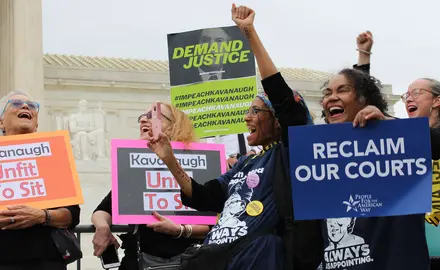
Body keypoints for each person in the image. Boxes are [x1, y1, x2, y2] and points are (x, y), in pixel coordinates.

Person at [143, 5, 321, 270]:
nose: (247, 118)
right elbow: (203, 196)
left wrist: (249, 34)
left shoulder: (289, 154)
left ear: (276, 120)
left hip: (258, 259)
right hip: (219, 259)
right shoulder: (245, 163)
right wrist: (169, 160)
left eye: (255, 111)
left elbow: (283, 100)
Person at [318, 65, 430, 269]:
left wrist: (388, 125)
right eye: (328, 93)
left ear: (364, 101)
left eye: (342, 90)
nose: (331, 98)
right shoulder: (319, 160)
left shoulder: (399, 145)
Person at [91, 102, 211, 270]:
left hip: (190, 260)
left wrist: (181, 230)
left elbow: (213, 221)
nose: (143, 121)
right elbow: (104, 210)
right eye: (142, 118)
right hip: (141, 260)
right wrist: (102, 227)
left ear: (174, 127)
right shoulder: (135, 169)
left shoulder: (201, 164)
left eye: (153, 117)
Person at [0, 90, 81, 270]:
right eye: (15, 103)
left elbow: (72, 215)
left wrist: (42, 216)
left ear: (36, 123)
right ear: (1, 121)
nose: (25, 106)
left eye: (33, 105)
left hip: (47, 260)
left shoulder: (55, 156)